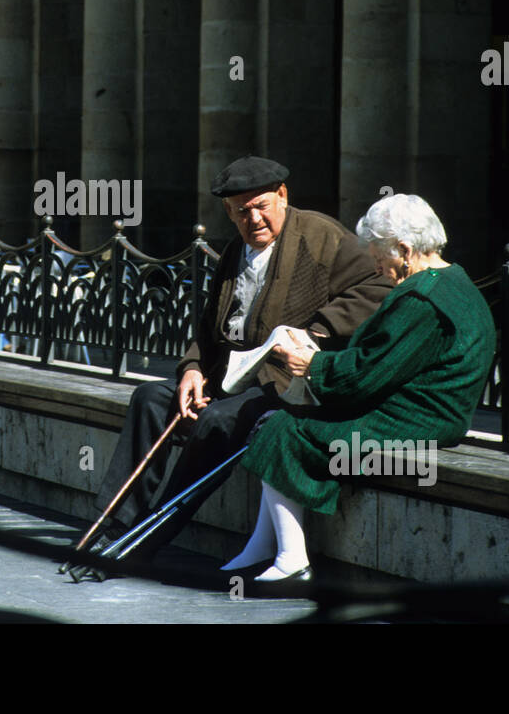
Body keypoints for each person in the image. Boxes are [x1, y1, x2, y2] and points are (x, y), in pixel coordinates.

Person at [89, 156, 391, 559]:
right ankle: (114, 523)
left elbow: (379, 286)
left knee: (217, 420)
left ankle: (152, 533)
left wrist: (317, 329)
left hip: (285, 383)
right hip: (228, 375)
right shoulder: (237, 249)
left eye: (261, 206)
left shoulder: (320, 235)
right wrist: (193, 369)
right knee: (150, 400)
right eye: (241, 211)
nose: (254, 219)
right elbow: (208, 324)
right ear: (229, 213)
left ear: (282, 196)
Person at [224, 194, 496, 582]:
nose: (378, 268)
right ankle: (264, 545)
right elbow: (382, 360)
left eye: (380, 258)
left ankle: (291, 559)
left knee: (283, 431)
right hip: (419, 407)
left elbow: (368, 374)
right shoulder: (450, 279)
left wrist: (312, 365)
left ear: (404, 249)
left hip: (421, 419)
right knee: (280, 419)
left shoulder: (421, 298)